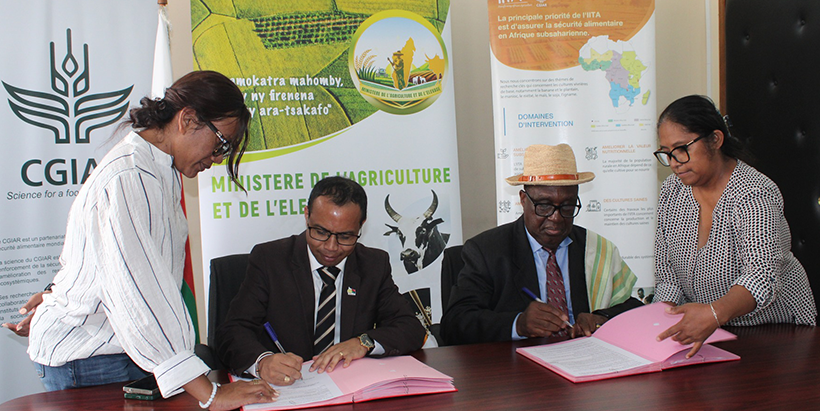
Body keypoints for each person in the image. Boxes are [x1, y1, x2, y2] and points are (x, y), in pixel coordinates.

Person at [12, 71, 277, 410]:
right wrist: (211, 394)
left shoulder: (160, 169)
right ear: (188, 120)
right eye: (221, 143)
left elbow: (105, 258)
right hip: (89, 357)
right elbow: (140, 292)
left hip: (118, 350)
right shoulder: (131, 176)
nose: (219, 157)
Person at [215, 176, 426, 386]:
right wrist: (262, 362)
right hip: (286, 390)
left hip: (347, 387)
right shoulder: (270, 259)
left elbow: (410, 328)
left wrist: (363, 342)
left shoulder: (372, 264)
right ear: (307, 216)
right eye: (321, 232)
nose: (331, 247)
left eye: (345, 236)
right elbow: (232, 331)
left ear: (361, 225)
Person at [652, 95, 817, 357]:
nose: (674, 162)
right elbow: (668, 275)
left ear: (715, 140)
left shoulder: (753, 193)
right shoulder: (671, 192)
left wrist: (714, 314)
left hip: (778, 333)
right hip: (711, 333)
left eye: (682, 148)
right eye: (667, 153)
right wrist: (657, 323)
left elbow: (761, 276)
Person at [441, 144, 643, 345]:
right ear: (523, 200)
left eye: (567, 206)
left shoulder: (596, 249)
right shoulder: (486, 251)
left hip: (583, 359)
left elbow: (634, 309)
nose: (556, 218)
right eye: (544, 206)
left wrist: (601, 318)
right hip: (517, 369)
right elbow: (455, 323)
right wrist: (518, 324)